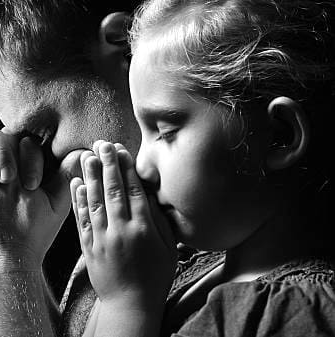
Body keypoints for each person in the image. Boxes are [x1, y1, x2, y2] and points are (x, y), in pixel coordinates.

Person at [66, 0, 335, 336]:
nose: (142, 167)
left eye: (165, 132)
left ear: (280, 136)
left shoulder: (296, 313)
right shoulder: (184, 265)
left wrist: (126, 302)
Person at [0, 0, 144, 336]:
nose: (42, 163)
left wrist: (1, 267)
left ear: (124, 43)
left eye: (42, 132)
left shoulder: (212, 231)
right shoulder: (114, 238)